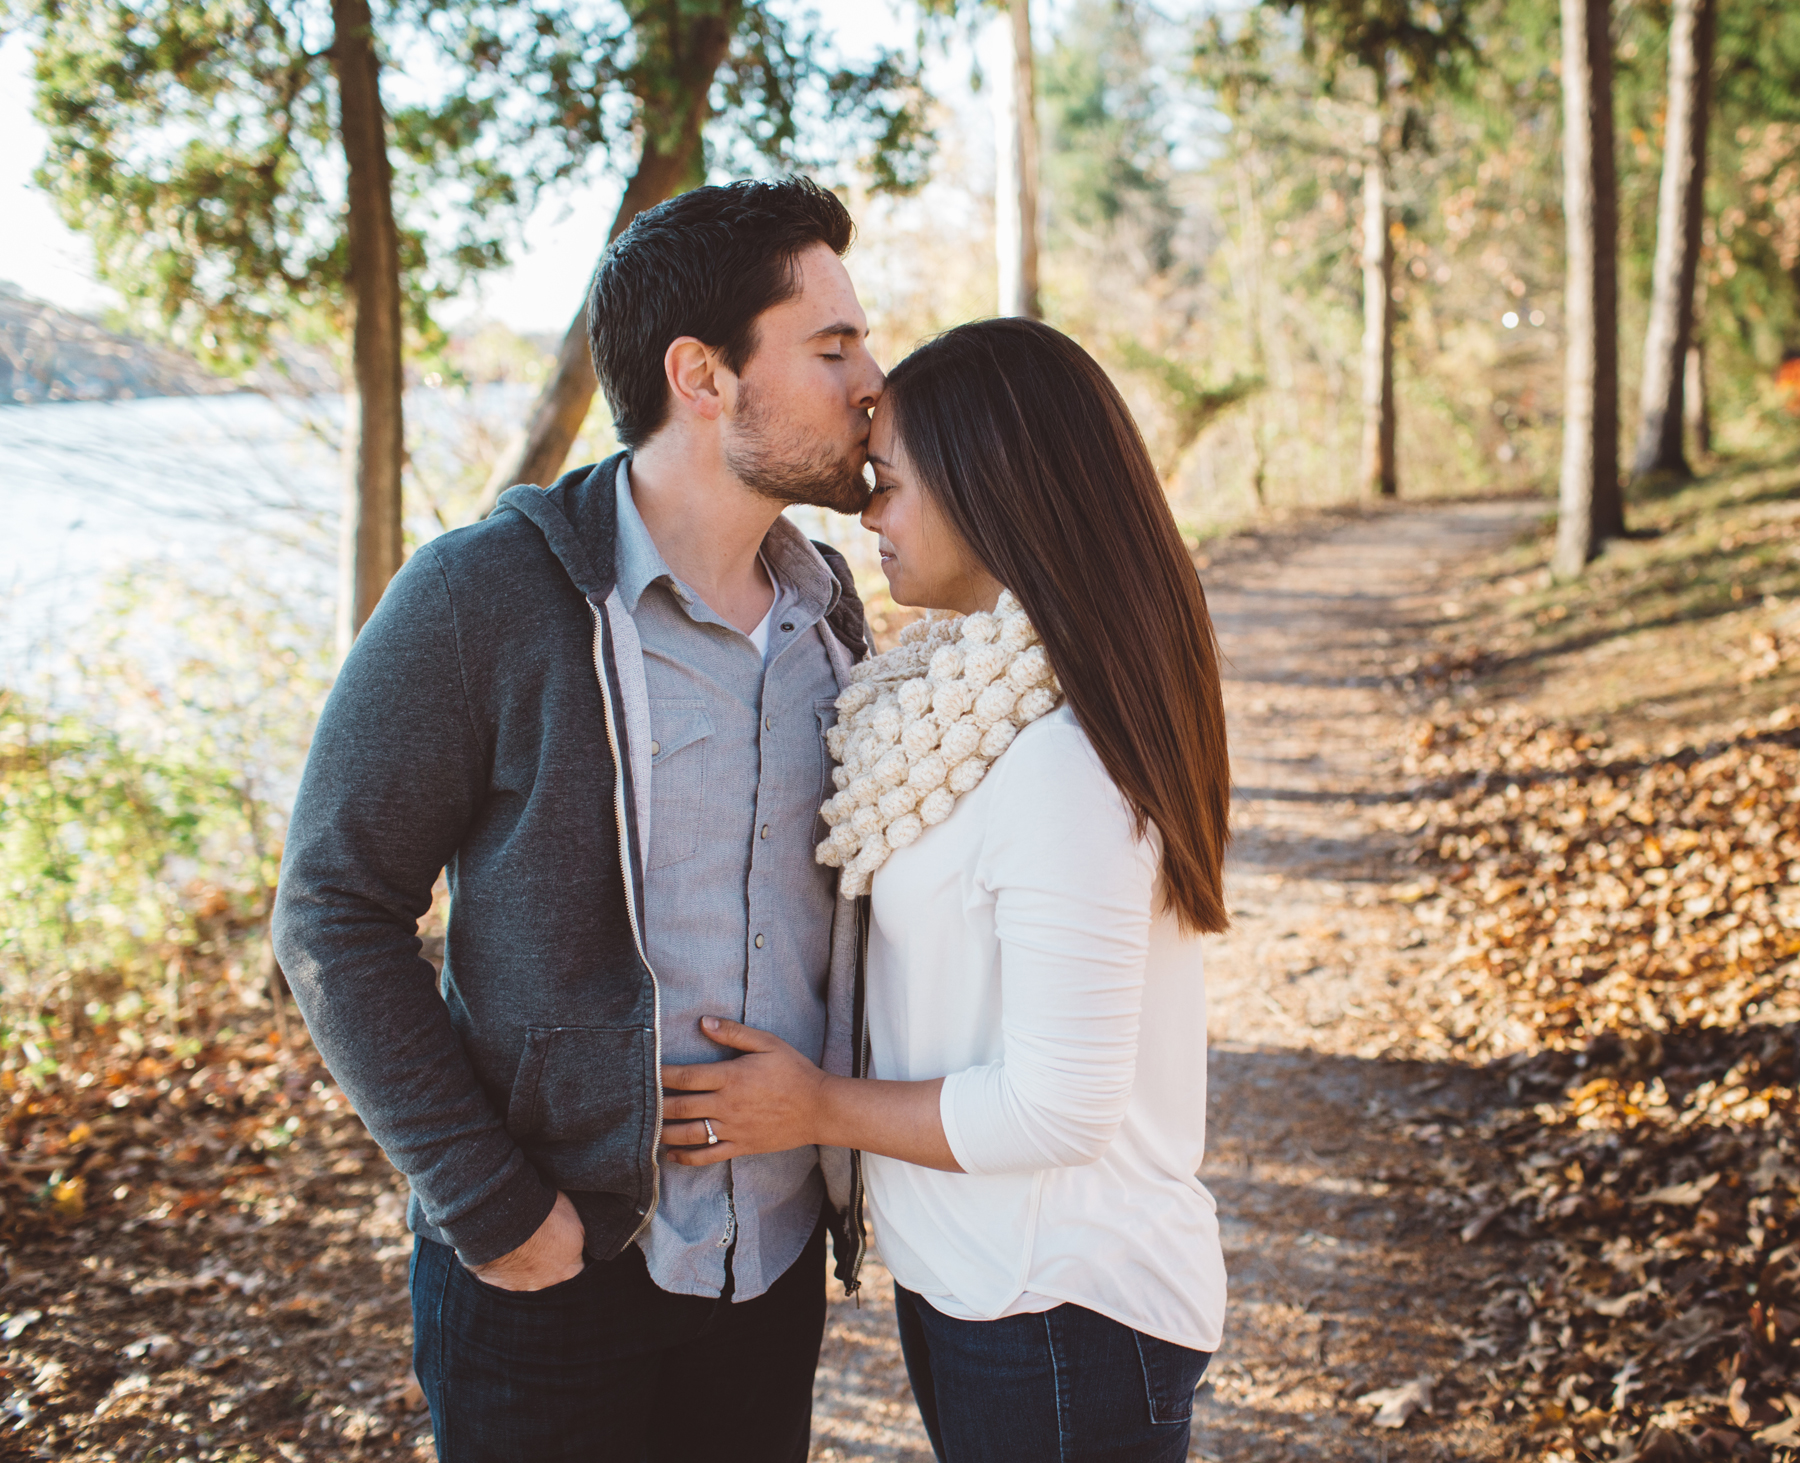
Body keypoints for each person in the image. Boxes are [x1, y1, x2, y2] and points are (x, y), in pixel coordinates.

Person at [269, 177, 882, 1462]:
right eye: (832, 347)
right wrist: (488, 1199)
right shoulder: (479, 595)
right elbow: (331, 904)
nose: (870, 381)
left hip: (764, 1265)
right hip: (551, 1267)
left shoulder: (826, 611)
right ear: (702, 375)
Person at [659, 317, 1232, 1463]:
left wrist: (812, 1106)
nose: (869, 515)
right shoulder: (956, 708)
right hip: (981, 1279)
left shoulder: (1059, 760)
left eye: (893, 484)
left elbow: (1058, 1106)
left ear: (996, 492)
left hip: (1064, 1301)